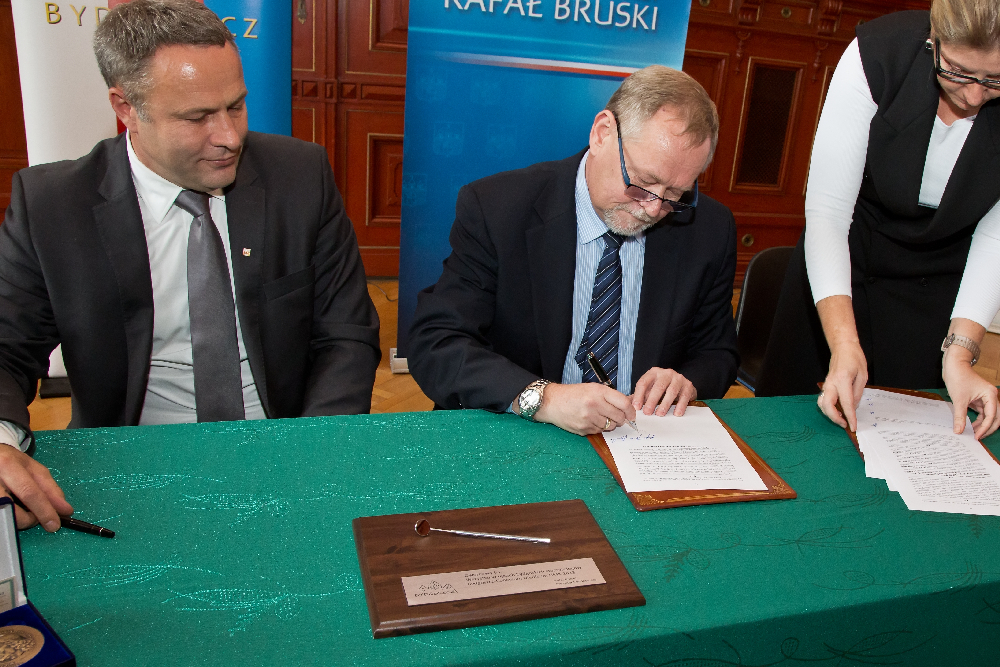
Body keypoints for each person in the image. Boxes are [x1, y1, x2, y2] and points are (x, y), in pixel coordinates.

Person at [0, 0, 380, 531]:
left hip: (286, 446)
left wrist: (304, 452)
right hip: (128, 465)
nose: (229, 137)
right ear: (126, 108)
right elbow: (8, 347)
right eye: (197, 117)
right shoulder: (53, 205)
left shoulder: (300, 176)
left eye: (236, 106)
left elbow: (346, 336)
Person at [408, 66, 738, 436]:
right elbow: (436, 341)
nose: (652, 208)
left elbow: (718, 352)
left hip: (640, 439)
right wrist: (544, 398)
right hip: (517, 431)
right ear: (602, 133)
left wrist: (686, 381)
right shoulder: (498, 208)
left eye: (675, 195)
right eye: (643, 182)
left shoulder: (709, 229)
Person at [756, 2, 1000, 440]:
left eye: (995, 79)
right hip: (842, 265)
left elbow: (995, 236)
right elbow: (829, 213)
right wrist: (843, 344)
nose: (974, 96)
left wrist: (961, 353)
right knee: (793, 435)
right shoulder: (879, 55)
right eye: (959, 72)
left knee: (908, 442)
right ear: (934, 41)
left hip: (933, 285)